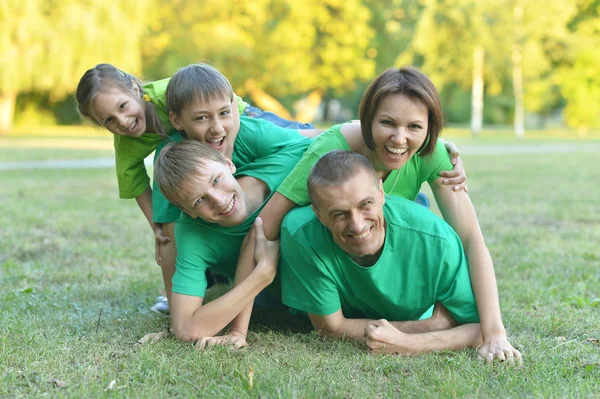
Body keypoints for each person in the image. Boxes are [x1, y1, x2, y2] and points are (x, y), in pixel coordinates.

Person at [256, 66, 520, 363]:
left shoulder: (431, 155)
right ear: (369, 119)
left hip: (378, 230)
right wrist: (243, 317)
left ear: (430, 129)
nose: (399, 139)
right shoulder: (334, 148)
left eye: (414, 127)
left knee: (413, 213)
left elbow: (472, 239)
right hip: (309, 210)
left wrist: (495, 331)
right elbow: (265, 223)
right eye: (387, 123)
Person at [75, 63, 316, 312]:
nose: (123, 122)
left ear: (135, 89)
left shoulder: (169, 91)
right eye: (109, 120)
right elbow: (137, 187)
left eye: (123, 107)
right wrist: (156, 230)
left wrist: (228, 151)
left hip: (241, 118)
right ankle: (208, 274)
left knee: (297, 137)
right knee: (190, 202)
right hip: (197, 144)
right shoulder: (126, 146)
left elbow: (228, 100)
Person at [280, 151, 519, 361]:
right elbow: (330, 328)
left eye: (365, 204)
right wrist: (430, 326)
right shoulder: (301, 232)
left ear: (382, 192)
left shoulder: (436, 242)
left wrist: (407, 344)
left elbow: (480, 329)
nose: (357, 224)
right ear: (319, 215)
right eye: (339, 214)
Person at [153, 137, 310, 348]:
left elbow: (335, 139)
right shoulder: (192, 232)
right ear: (188, 211)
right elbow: (185, 328)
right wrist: (260, 276)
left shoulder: (283, 165)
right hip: (276, 296)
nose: (218, 200)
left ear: (228, 164)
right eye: (199, 201)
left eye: (216, 180)